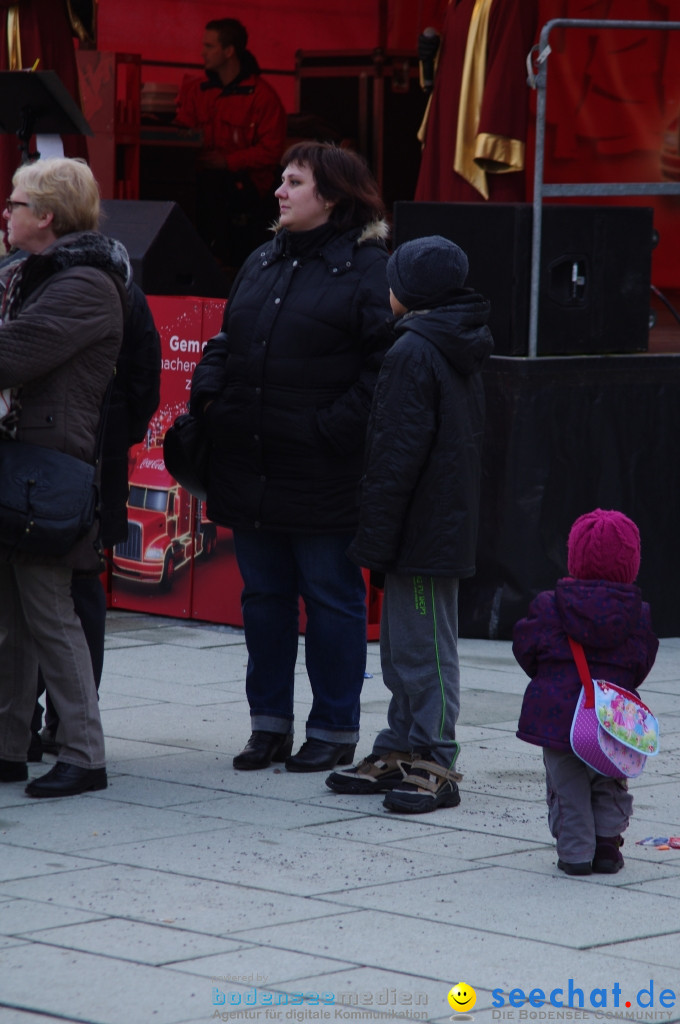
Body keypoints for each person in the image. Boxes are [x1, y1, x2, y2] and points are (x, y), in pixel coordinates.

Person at [189, 141, 391, 773]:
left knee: (332, 598)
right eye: (281, 179)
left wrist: (326, 429)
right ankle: (267, 725)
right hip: (251, 464)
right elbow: (225, 337)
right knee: (264, 600)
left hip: (322, 471)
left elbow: (383, 368)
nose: (279, 190)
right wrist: (210, 396)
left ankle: (333, 728)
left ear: (331, 197)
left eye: (294, 181)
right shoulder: (261, 258)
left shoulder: (368, 268)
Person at [326, 235, 493, 812]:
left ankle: (436, 757)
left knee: (423, 649)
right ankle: (402, 743)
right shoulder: (443, 340)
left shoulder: (414, 351)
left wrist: (376, 534)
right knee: (403, 646)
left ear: (410, 291)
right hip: (427, 522)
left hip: (422, 528)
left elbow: (395, 455)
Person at [0, 156, 129, 798]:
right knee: (15, 613)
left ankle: (83, 752)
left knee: (49, 609)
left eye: (17, 203)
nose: (8, 212)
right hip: (24, 462)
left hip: (49, 469)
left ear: (46, 216)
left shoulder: (83, 284)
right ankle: (7, 747)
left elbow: (13, 354)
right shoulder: (41, 275)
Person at [30, 279, 161, 759]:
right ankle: (27, 720)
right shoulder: (24, 275)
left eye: (19, 203)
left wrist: (118, 427)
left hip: (89, 454)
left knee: (81, 585)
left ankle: (71, 723)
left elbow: (145, 377)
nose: (7, 214)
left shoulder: (113, 287)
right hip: (51, 452)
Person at [513, 509, 659, 875]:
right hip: (612, 721)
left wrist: (549, 678)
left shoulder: (550, 605)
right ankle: (608, 847)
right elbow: (642, 662)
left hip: (559, 719)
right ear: (632, 563)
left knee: (568, 784)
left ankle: (576, 853)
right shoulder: (638, 615)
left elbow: (525, 646)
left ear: (573, 557)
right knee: (610, 777)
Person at [174, 17, 287, 271]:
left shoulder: (262, 97)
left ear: (229, 51)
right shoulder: (197, 91)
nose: (202, 52)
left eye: (209, 46)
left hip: (246, 190)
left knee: (215, 189)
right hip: (199, 183)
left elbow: (271, 151)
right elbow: (181, 134)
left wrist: (228, 161)